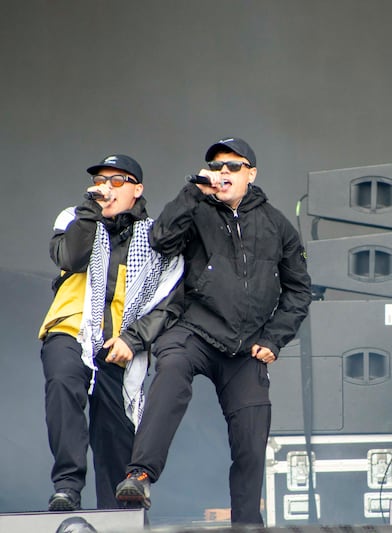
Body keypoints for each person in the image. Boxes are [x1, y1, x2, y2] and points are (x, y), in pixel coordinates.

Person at [115, 137, 312, 524]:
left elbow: (299, 290)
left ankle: (246, 525)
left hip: (245, 348)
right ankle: (140, 475)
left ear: (250, 174)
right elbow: (162, 240)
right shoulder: (197, 209)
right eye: (216, 165)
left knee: (252, 440)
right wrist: (193, 192)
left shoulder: (277, 225)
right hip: (193, 330)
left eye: (233, 166)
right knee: (170, 372)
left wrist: (273, 339)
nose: (223, 172)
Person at [40, 154, 183, 511]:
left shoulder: (157, 237)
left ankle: (118, 517)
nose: (106, 187)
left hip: (120, 343)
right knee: (62, 384)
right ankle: (68, 486)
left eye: (117, 181)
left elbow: (170, 300)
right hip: (70, 330)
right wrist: (91, 209)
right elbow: (70, 258)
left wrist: (133, 339)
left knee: (115, 436)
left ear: (137, 189)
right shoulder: (74, 218)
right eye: (101, 180)